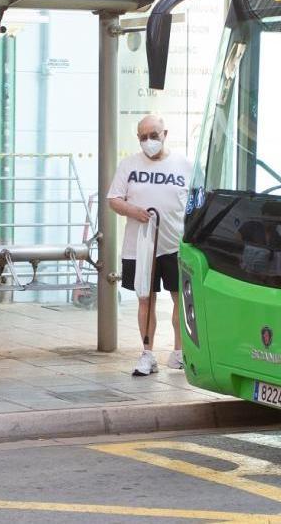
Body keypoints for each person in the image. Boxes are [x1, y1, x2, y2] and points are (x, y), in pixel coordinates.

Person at [107, 115, 193, 376]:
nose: (148, 141)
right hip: (140, 247)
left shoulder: (184, 165)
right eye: (143, 137)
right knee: (145, 299)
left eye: (153, 135)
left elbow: (197, 202)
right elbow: (113, 199)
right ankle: (147, 354)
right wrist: (133, 210)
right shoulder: (129, 165)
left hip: (175, 244)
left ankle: (179, 352)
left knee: (181, 298)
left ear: (165, 133)